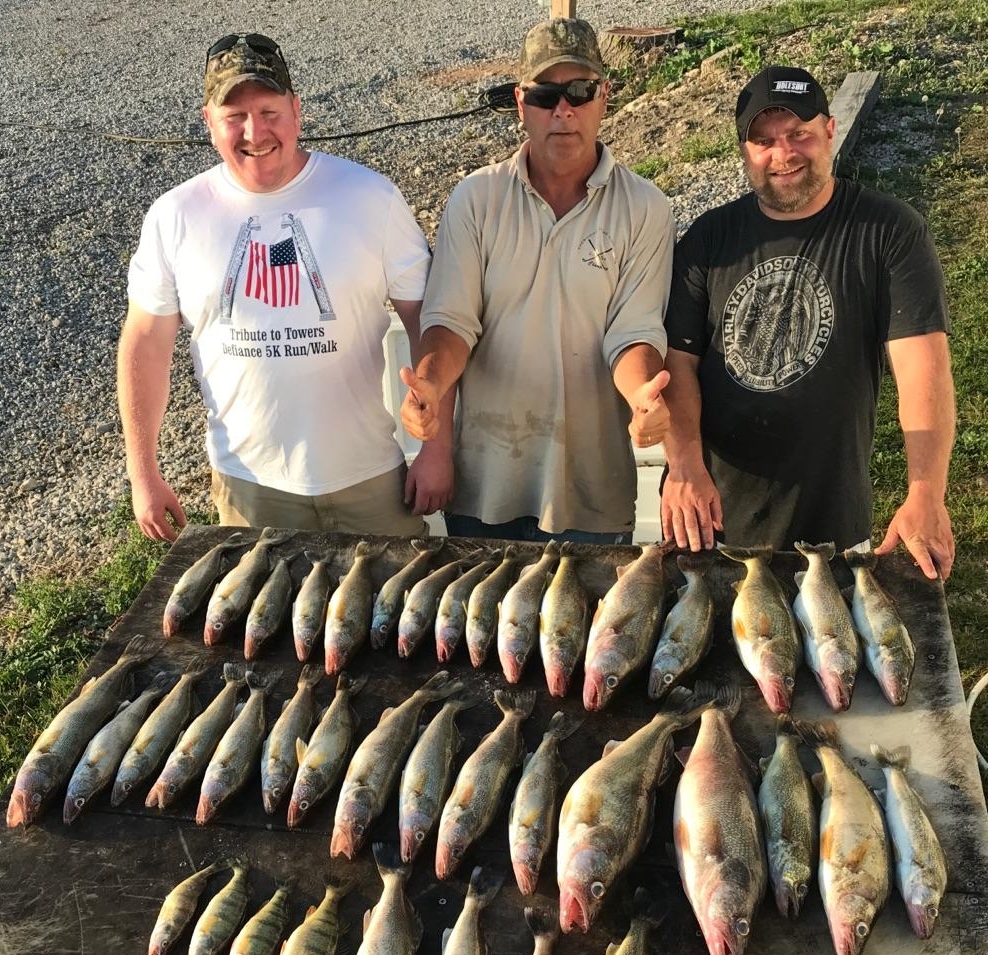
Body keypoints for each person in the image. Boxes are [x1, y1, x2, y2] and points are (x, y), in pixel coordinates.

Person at [118, 32, 431, 542]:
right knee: (263, 624)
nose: (254, 131)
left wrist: (436, 449)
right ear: (209, 123)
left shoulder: (369, 197)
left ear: (296, 109)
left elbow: (426, 320)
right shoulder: (175, 215)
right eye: (234, 116)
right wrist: (143, 475)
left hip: (370, 476)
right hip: (249, 487)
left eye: (268, 111)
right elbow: (145, 343)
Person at [660, 64, 955, 579]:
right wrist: (684, 466)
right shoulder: (708, 238)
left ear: (829, 130)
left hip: (832, 526)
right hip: (710, 521)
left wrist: (925, 492)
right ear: (745, 152)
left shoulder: (889, 230)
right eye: (764, 141)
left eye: (799, 134)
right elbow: (677, 362)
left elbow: (922, 367)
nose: (784, 154)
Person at [399, 17, 675, 545]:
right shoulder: (474, 200)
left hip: (592, 498)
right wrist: (430, 385)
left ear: (605, 97)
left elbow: (633, 332)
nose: (564, 110)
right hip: (484, 491)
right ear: (521, 102)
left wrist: (643, 393)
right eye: (547, 94)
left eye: (580, 91)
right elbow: (450, 323)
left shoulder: (646, 208)